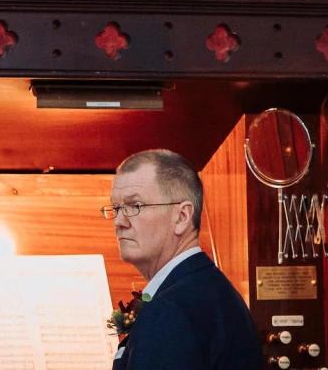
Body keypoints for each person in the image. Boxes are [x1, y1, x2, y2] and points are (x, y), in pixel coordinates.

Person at [104, 149, 261, 370]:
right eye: (116, 208)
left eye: (135, 206)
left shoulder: (170, 309)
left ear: (182, 216)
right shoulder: (208, 288)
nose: (119, 221)